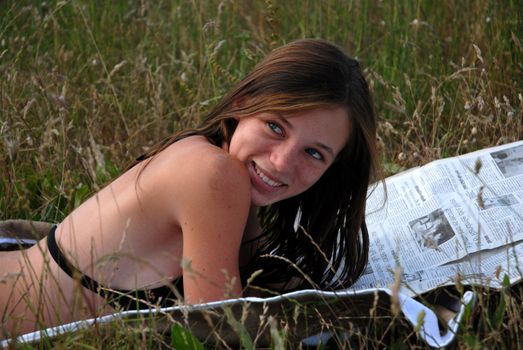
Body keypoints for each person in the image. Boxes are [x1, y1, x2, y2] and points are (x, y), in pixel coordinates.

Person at [0, 39, 379, 337]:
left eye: (313, 153)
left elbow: (262, 282)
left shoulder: (234, 181)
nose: (281, 162)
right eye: (275, 127)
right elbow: (217, 330)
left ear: (333, 168)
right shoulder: (215, 176)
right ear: (242, 104)